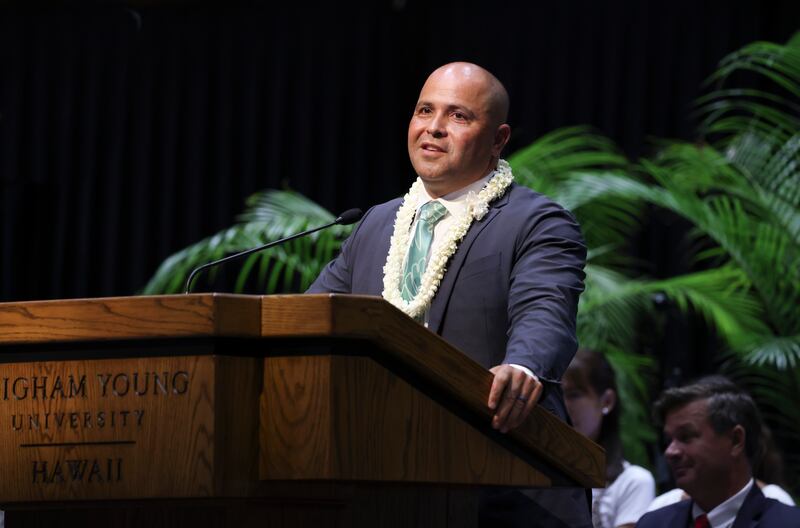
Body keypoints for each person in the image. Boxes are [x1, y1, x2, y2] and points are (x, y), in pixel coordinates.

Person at [308, 62, 588, 525]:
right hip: (381, 482)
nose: (433, 128)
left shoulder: (537, 222)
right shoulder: (376, 223)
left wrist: (524, 365)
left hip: (504, 483)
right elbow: (315, 316)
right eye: (424, 111)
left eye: (458, 116)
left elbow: (546, 311)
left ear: (498, 139)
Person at [636, 378, 800, 527]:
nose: (670, 452)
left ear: (736, 440)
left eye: (685, 437)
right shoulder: (653, 524)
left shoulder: (788, 524)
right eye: (669, 440)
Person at [563, 349, 655, 527]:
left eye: (574, 395)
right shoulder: (534, 475)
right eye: (556, 395)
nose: (563, 405)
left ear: (607, 401)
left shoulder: (632, 482)